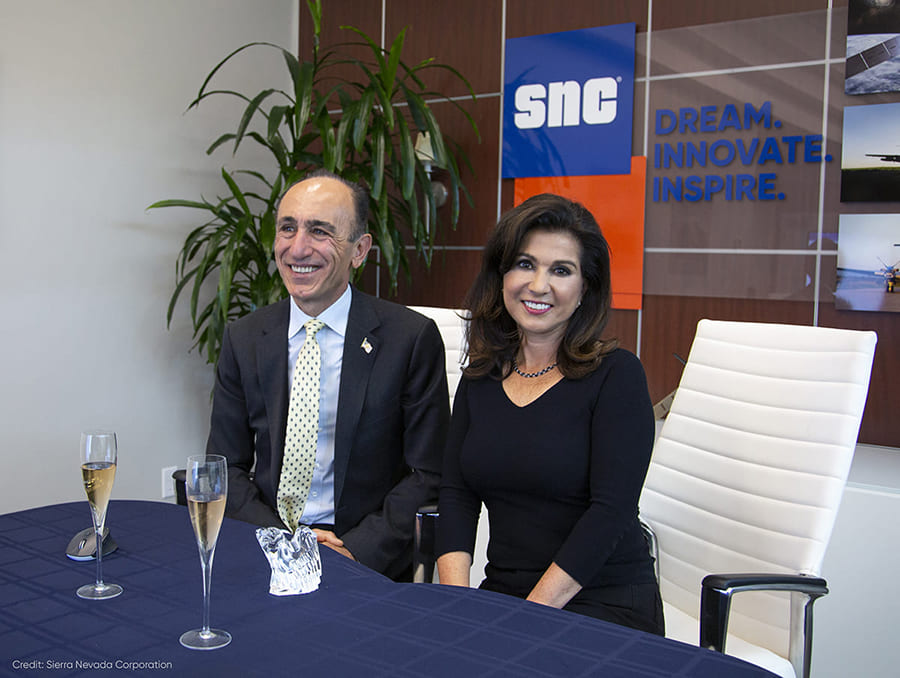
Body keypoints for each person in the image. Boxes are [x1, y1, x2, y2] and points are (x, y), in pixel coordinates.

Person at [435, 193, 664, 634]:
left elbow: (610, 512)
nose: (538, 285)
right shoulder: (480, 377)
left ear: (585, 290)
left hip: (601, 601)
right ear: (501, 277)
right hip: (505, 593)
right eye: (524, 264)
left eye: (561, 270)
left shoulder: (617, 376)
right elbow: (456, 494)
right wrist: (456, 602)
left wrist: (527, 616)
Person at [206, 169, 450, 580]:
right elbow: (225, 466)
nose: (297, 248)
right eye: (288, 228)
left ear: (359, 250)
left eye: (319, 231)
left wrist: (354, 551)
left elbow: (429, 473)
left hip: (363, 557)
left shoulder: (410, 339)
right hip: (267, 545)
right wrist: (281, 542)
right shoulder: (244, 337)